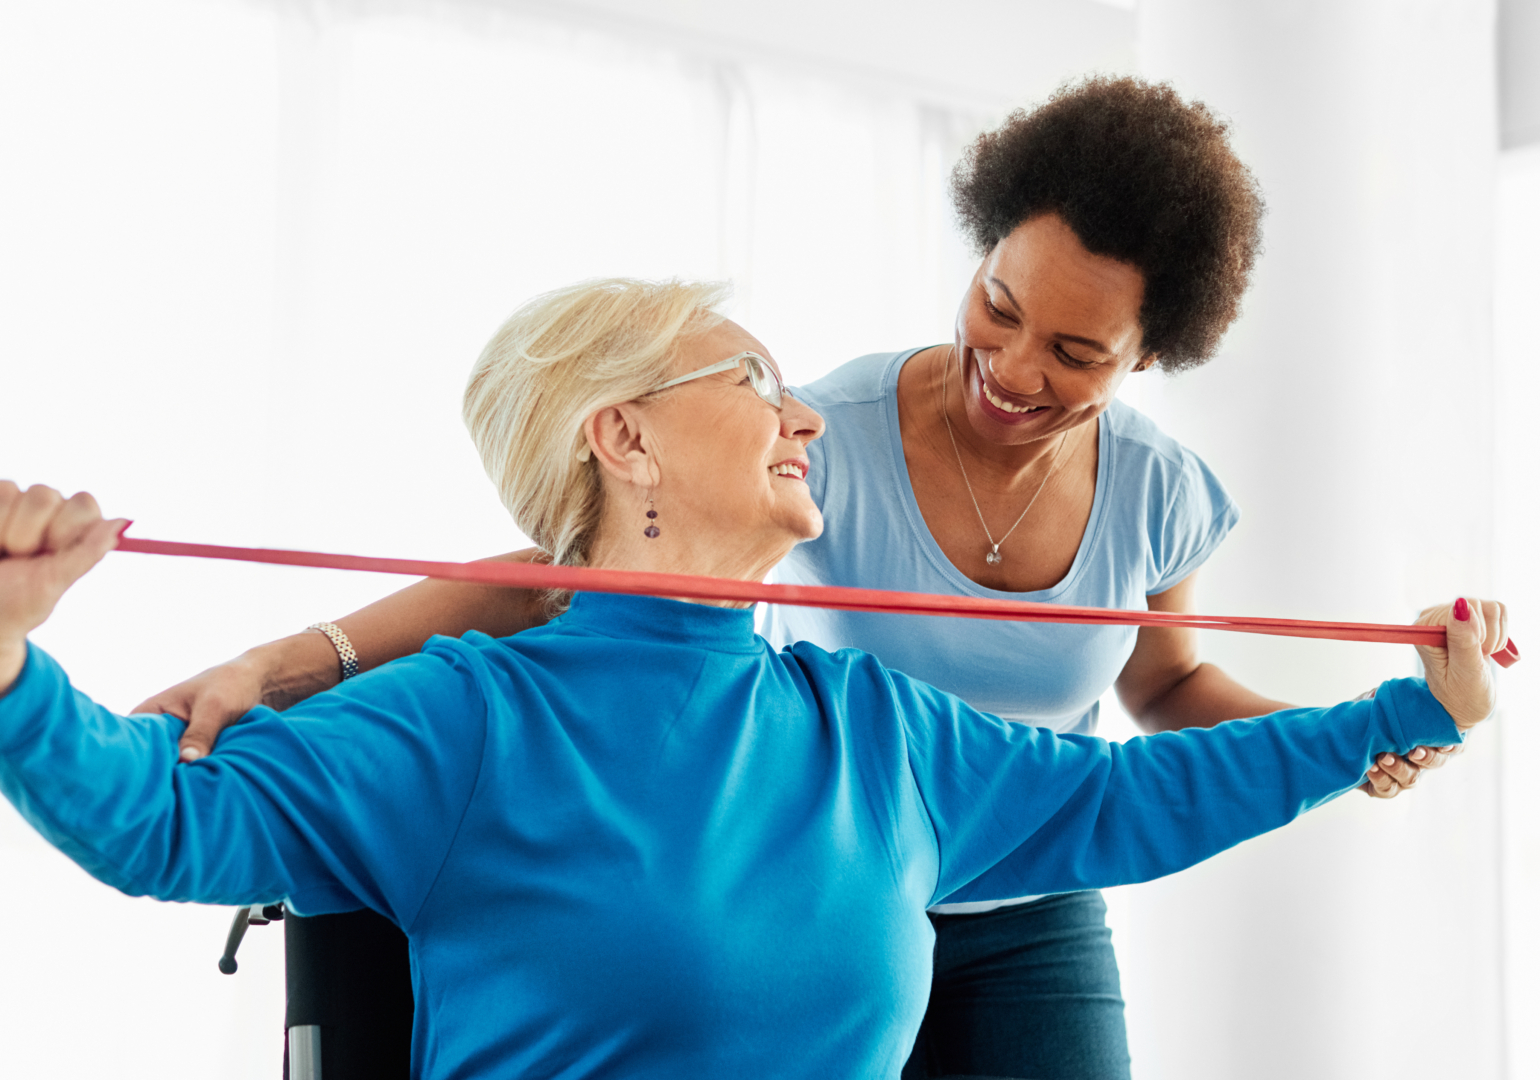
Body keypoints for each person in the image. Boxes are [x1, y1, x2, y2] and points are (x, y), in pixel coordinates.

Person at [139, 79, 1462, 1079]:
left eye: (1074, 351)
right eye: (997, 304)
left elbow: (1163, 685)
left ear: (1146, 355)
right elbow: (558, 580)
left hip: (1028, 891)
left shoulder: (1162, 491)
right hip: (831, 880)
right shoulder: (818, 435)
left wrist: (1341, 741)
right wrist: (294, 659)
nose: (1012, 366)